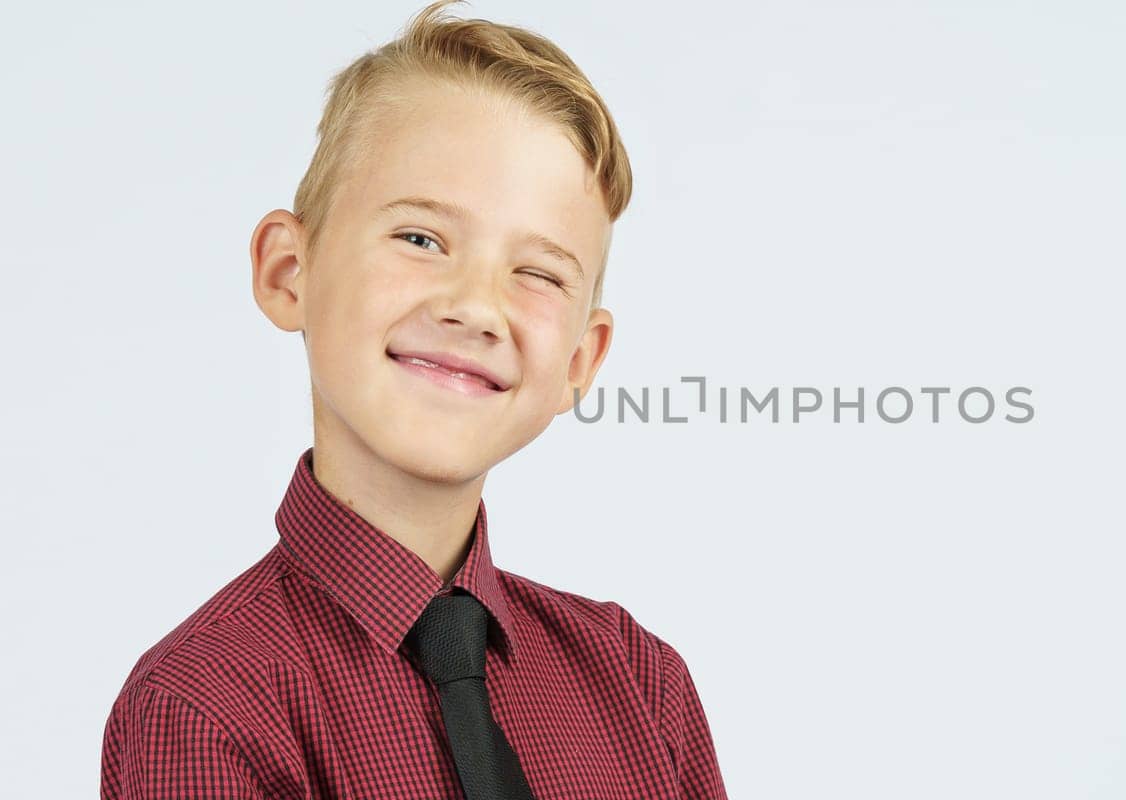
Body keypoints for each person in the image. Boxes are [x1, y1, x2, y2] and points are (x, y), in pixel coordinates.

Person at [98, 2, 727, 797]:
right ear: (289, 272)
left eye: (537, 272)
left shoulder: (641, 685)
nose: (474, 305)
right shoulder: (208, 707)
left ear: (580, 357)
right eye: (421, 239)